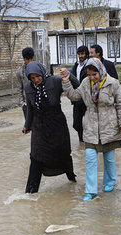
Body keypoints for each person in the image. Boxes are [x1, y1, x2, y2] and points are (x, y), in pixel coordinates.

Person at [60, 58, 121, 201]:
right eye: (89, 75)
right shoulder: (85, 83)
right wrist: (66, 81)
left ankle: (110, 182)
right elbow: (74, 96)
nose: (92, 78)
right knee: (90, 158)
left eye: (94, 75)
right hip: (90, 125)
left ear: (100, 71)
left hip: (109, 124)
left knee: (109, 158)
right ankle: (91, 191)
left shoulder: (112, 83)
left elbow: (120, 105)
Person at [22, 62, 78, 193]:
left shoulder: (54, 82)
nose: (36, 80)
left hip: (57, 125)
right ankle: (30, 192)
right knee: (36, 157)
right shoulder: (28, 88)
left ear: (42, 72)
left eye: (38, 76)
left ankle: (72, 179)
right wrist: (27, 125)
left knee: (63, 154)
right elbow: (30, 108)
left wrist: (69, 76)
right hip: (39, 126)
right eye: (32, 78)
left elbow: (77, 87)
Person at [70, 45, 90, 142]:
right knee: (76, 123)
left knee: (89, 122)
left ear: (86, 54)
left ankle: (89, 141)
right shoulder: (76, 66)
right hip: (77, 98)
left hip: (87, 99)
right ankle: (81, 141)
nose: (80, 56)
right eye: (79, 54)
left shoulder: (90, 66)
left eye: (82, 54)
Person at [16, 47, 35, 119]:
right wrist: (22, 103)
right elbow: (19, 88)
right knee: (29, 126)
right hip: (27, 104)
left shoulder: (40, 68)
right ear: (24, 59)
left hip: (40, 103)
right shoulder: (20, 72)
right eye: (28, 59)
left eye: (31, 59)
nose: (30, 61)